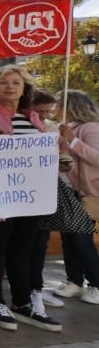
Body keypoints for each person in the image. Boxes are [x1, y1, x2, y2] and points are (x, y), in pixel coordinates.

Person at [0, 64, 60, 333]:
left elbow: (42, 159)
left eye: (15, 82)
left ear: (24, 88)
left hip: (28, 201)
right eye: (4, 81)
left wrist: (59, 152)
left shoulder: (32, 119)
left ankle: (21, 302)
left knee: (23, 251)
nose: (10, 86)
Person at [54, 90, 99, 305]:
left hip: (84, 193)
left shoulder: (90, 128)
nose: (55, 108)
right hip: (66, 191)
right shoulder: (64, 130)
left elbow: (97, 157)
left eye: (59, 104)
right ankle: (74, 280)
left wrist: (73, 142)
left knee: (81, 240)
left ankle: (96, 283)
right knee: (69, 239)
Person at [27, 90, 66, 309]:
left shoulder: (53, 128)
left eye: (47, 111)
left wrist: (63, 150)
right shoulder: (23, 126)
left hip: (46, 193)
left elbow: (61, 161)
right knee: (27, 245)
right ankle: (27, 290)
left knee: (41, 244)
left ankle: (37, 289)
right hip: (25, 195)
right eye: (39, 111)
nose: (43, 115)